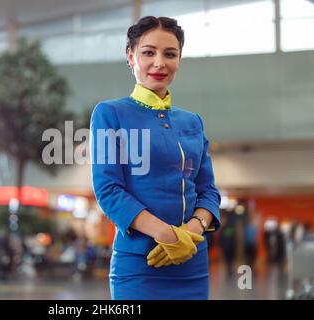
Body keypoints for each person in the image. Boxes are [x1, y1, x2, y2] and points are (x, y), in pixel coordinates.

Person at [90, 16, 221, 300]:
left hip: (192, 263)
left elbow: (208, 190)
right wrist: (167, 235)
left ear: (179, 59)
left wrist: (192, 232)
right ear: (130, 56)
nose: (159, 63)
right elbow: (109, 190)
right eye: (148, 52)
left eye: (170, 54)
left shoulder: (193, 122)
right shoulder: (110, 113)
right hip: (139, 266)